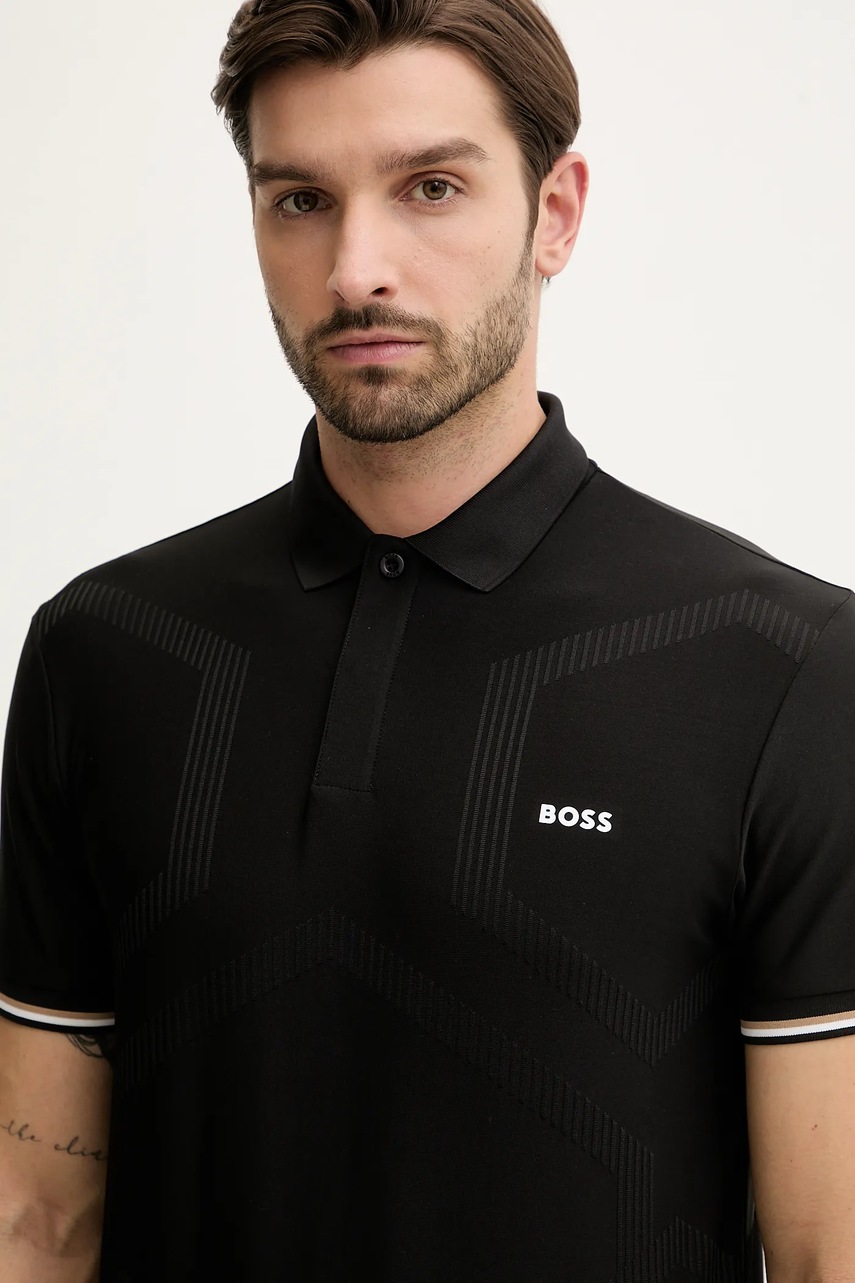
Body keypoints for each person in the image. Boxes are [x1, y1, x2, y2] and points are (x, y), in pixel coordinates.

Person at [0, 0, 853, 1277]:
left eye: (431, 187)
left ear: (555, 213)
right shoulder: (105, 649)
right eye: (300, 200)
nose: (357, 270)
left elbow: (828, 1247)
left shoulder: (786, 666)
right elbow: (37, 1217)